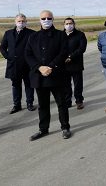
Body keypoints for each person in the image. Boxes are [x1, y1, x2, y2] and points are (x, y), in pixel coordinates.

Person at [25, 10, 71, 140]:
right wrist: (39, 67)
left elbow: (63, 52)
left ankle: (65, 127)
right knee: (43, 105)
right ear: (39, 20)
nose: (46, 20)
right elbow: (28, 54)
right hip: (40, 76)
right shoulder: (33, 37)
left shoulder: (60, 35)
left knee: (61, 103)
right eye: (43, 18)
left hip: (56, 75)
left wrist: (51, 66)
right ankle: (43, 129)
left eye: (49, 18)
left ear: (53, 19)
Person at [0, 14, 36, 114]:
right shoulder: (8, 33)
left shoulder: (32, 33)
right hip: (13, 64)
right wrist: (8, 57)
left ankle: (30, 103)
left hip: (27, 65)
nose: (21, 23)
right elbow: (2, 47)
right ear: (15, 22)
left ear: (26, 22)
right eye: (19, 21)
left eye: (23, 21)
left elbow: (36, 49)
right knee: (16, 85)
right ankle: (17, 105)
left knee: (29, 85)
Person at [63, 17, 87, 110]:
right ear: (64, 25)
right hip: (64, 65)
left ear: (74, 24)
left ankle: (79, 101)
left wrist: (71, 57)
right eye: (67, 24)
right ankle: (67, 101)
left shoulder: (80, 35)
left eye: (70, 23)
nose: (69, 25)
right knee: (66, 85)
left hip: (76, 64)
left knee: (78, 85)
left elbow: (82, 48)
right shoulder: (60, 35)